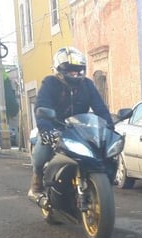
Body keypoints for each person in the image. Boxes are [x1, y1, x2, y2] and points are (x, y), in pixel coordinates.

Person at [28, 46, 115, 199]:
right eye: (70, 71)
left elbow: (100, 108)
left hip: (81, 129)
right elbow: (42, 106)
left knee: (104, 152)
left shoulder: (87, 85)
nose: (75, 74)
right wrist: (46, 128)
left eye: (78, 70)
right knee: (42, 150)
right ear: (59, 70)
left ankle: (100, 184)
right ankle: (36, 182)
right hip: (56, 128)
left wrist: (109, 127)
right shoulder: (50, 83)